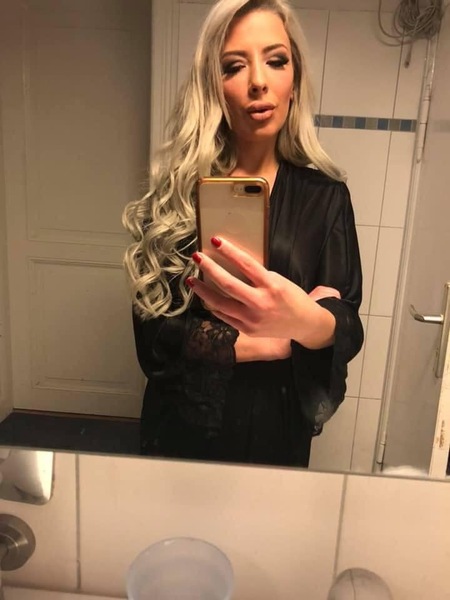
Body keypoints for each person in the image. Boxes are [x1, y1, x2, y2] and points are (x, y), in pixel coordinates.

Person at [122, 0, 364, 468]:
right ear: (213, 87)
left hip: (276, 435)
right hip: (181, 430)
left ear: (295, 81)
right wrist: (280, 337)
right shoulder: (176, 196)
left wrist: (308, 323)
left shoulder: (326, 199)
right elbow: (153, 339)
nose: (258, 81)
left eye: (276, 60)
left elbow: (347, 328)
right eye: (234, 66)